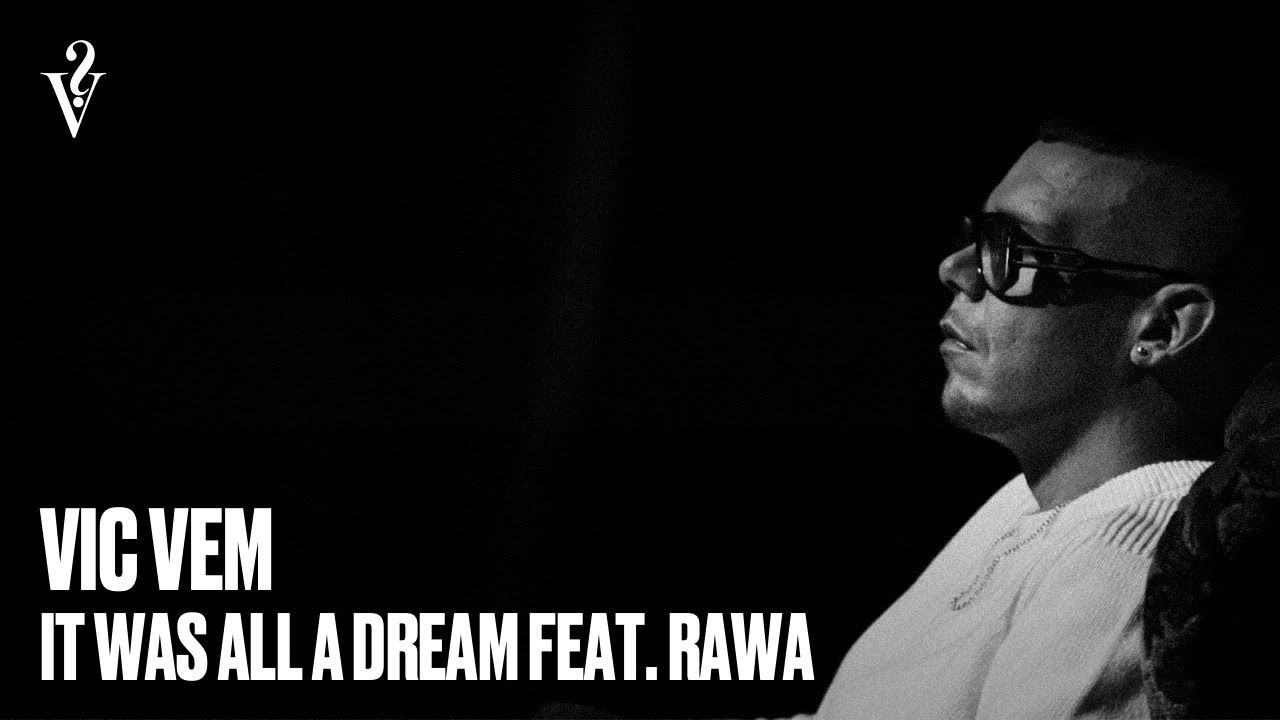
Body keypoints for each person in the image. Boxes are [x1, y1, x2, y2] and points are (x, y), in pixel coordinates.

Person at [811, 105, 1278, 719]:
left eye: (1008, 248)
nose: (955, 270)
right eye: (976, 236)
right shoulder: (1034, 501)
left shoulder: (1132, 551)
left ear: (1161, 329)